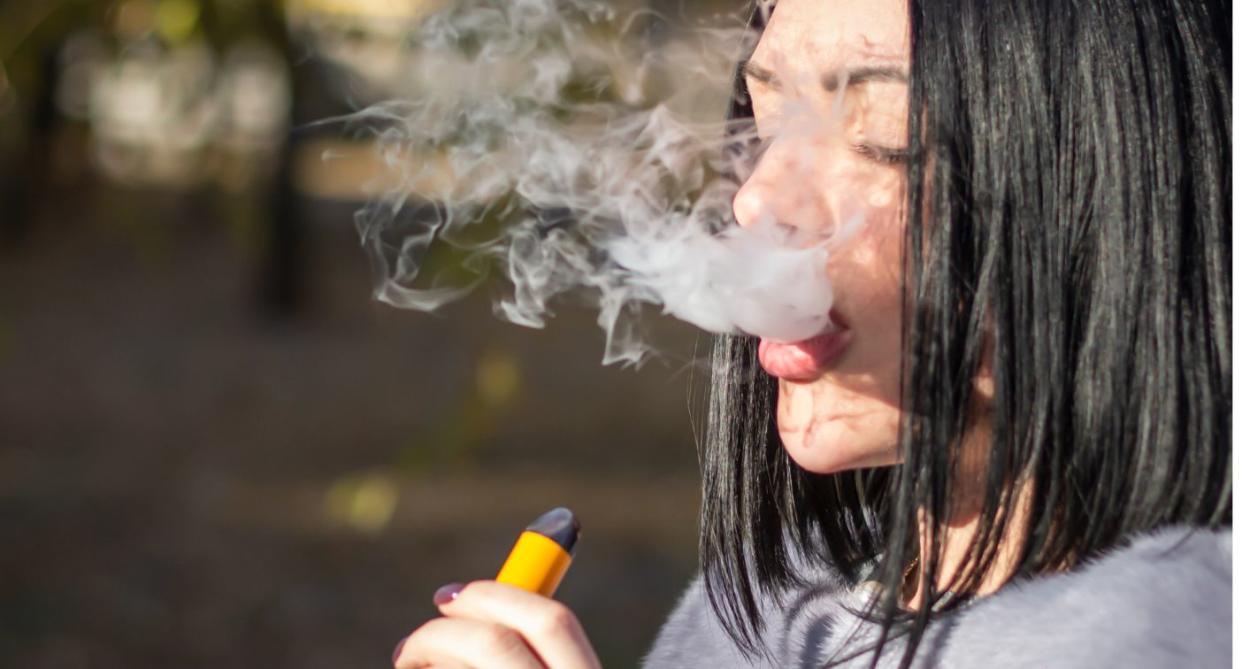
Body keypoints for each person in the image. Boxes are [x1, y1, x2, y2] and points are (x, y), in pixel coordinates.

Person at [390, 0, 1232, 666]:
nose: (756, 199)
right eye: (767, 118)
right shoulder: (767, 612)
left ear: (1111, 180)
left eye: (878, 138)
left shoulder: (1166, 638)